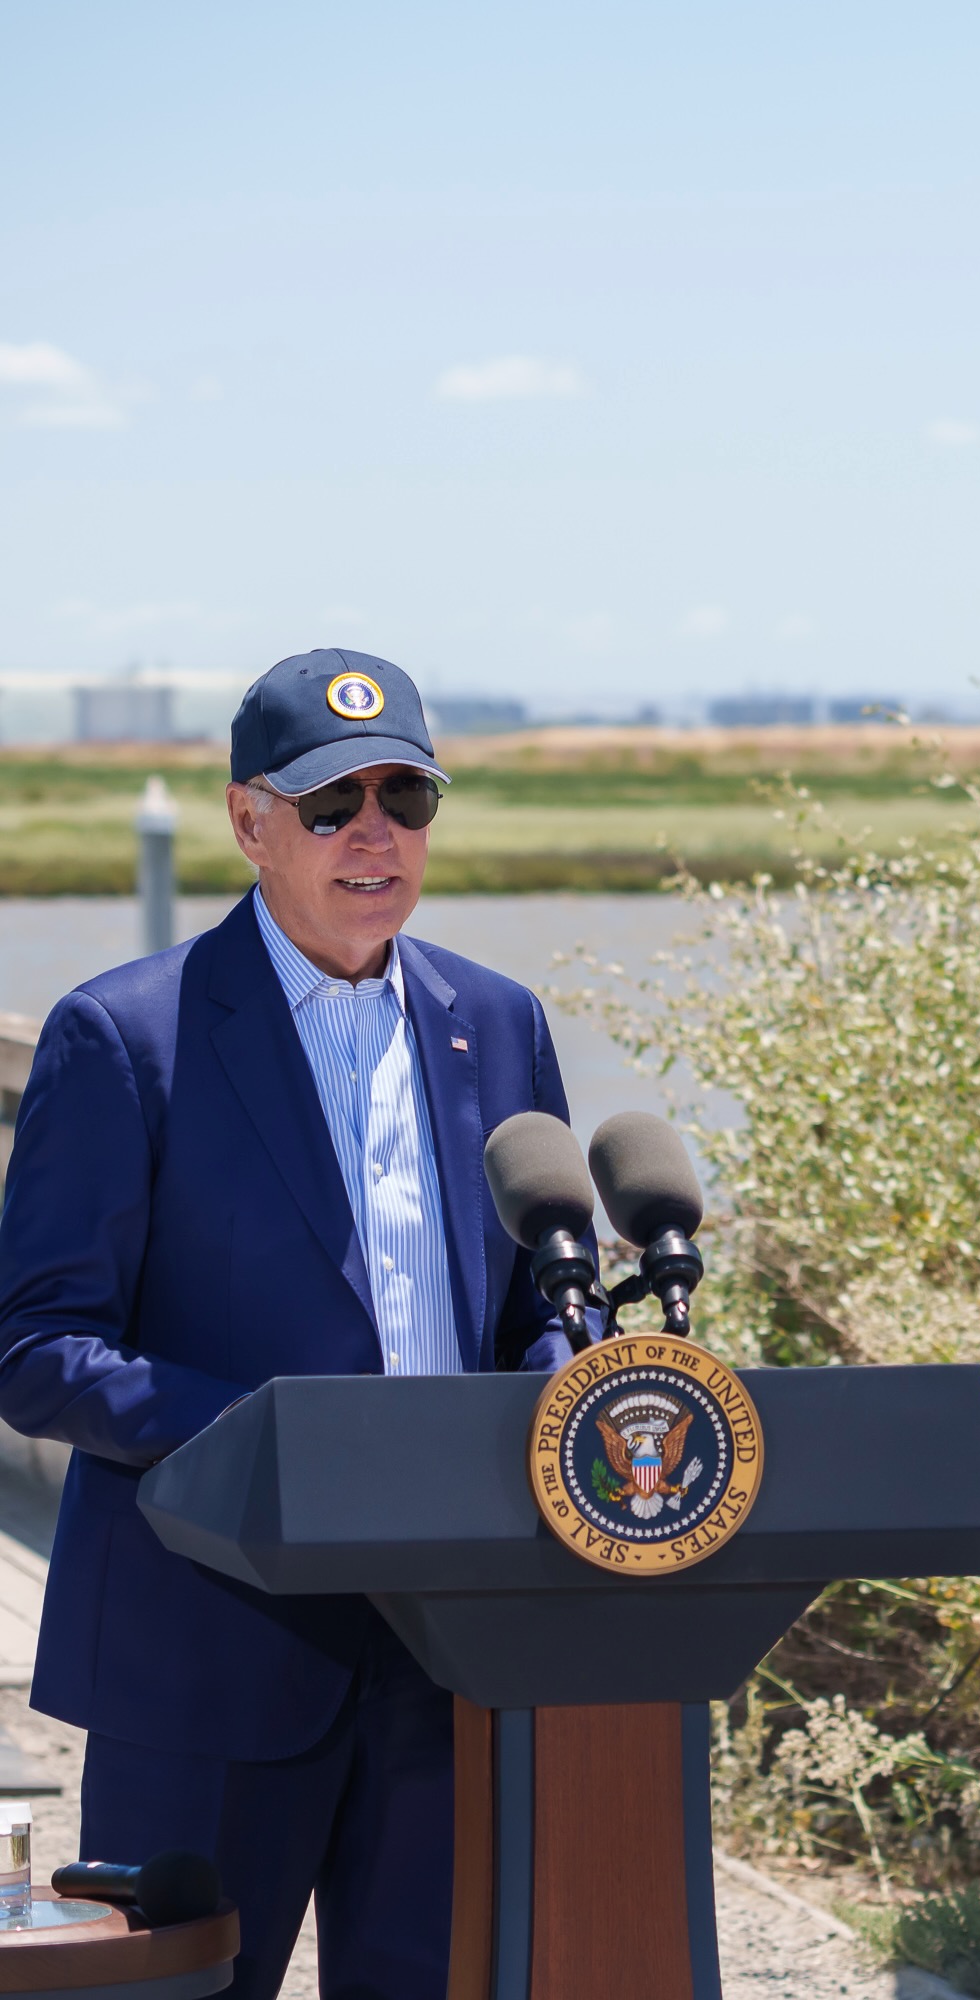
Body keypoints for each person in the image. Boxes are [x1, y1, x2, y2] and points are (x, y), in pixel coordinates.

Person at [0, 649, 587, 1999]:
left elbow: (542, 1305)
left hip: (454, 1650)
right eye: (332, 805)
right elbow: (36, 1347)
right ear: (248, 822)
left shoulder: (497, 1025)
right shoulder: (123, 1037)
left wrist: (576, 1386)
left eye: (407, 796)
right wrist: (282, 1446)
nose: (374, 832)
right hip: (207, 1645)